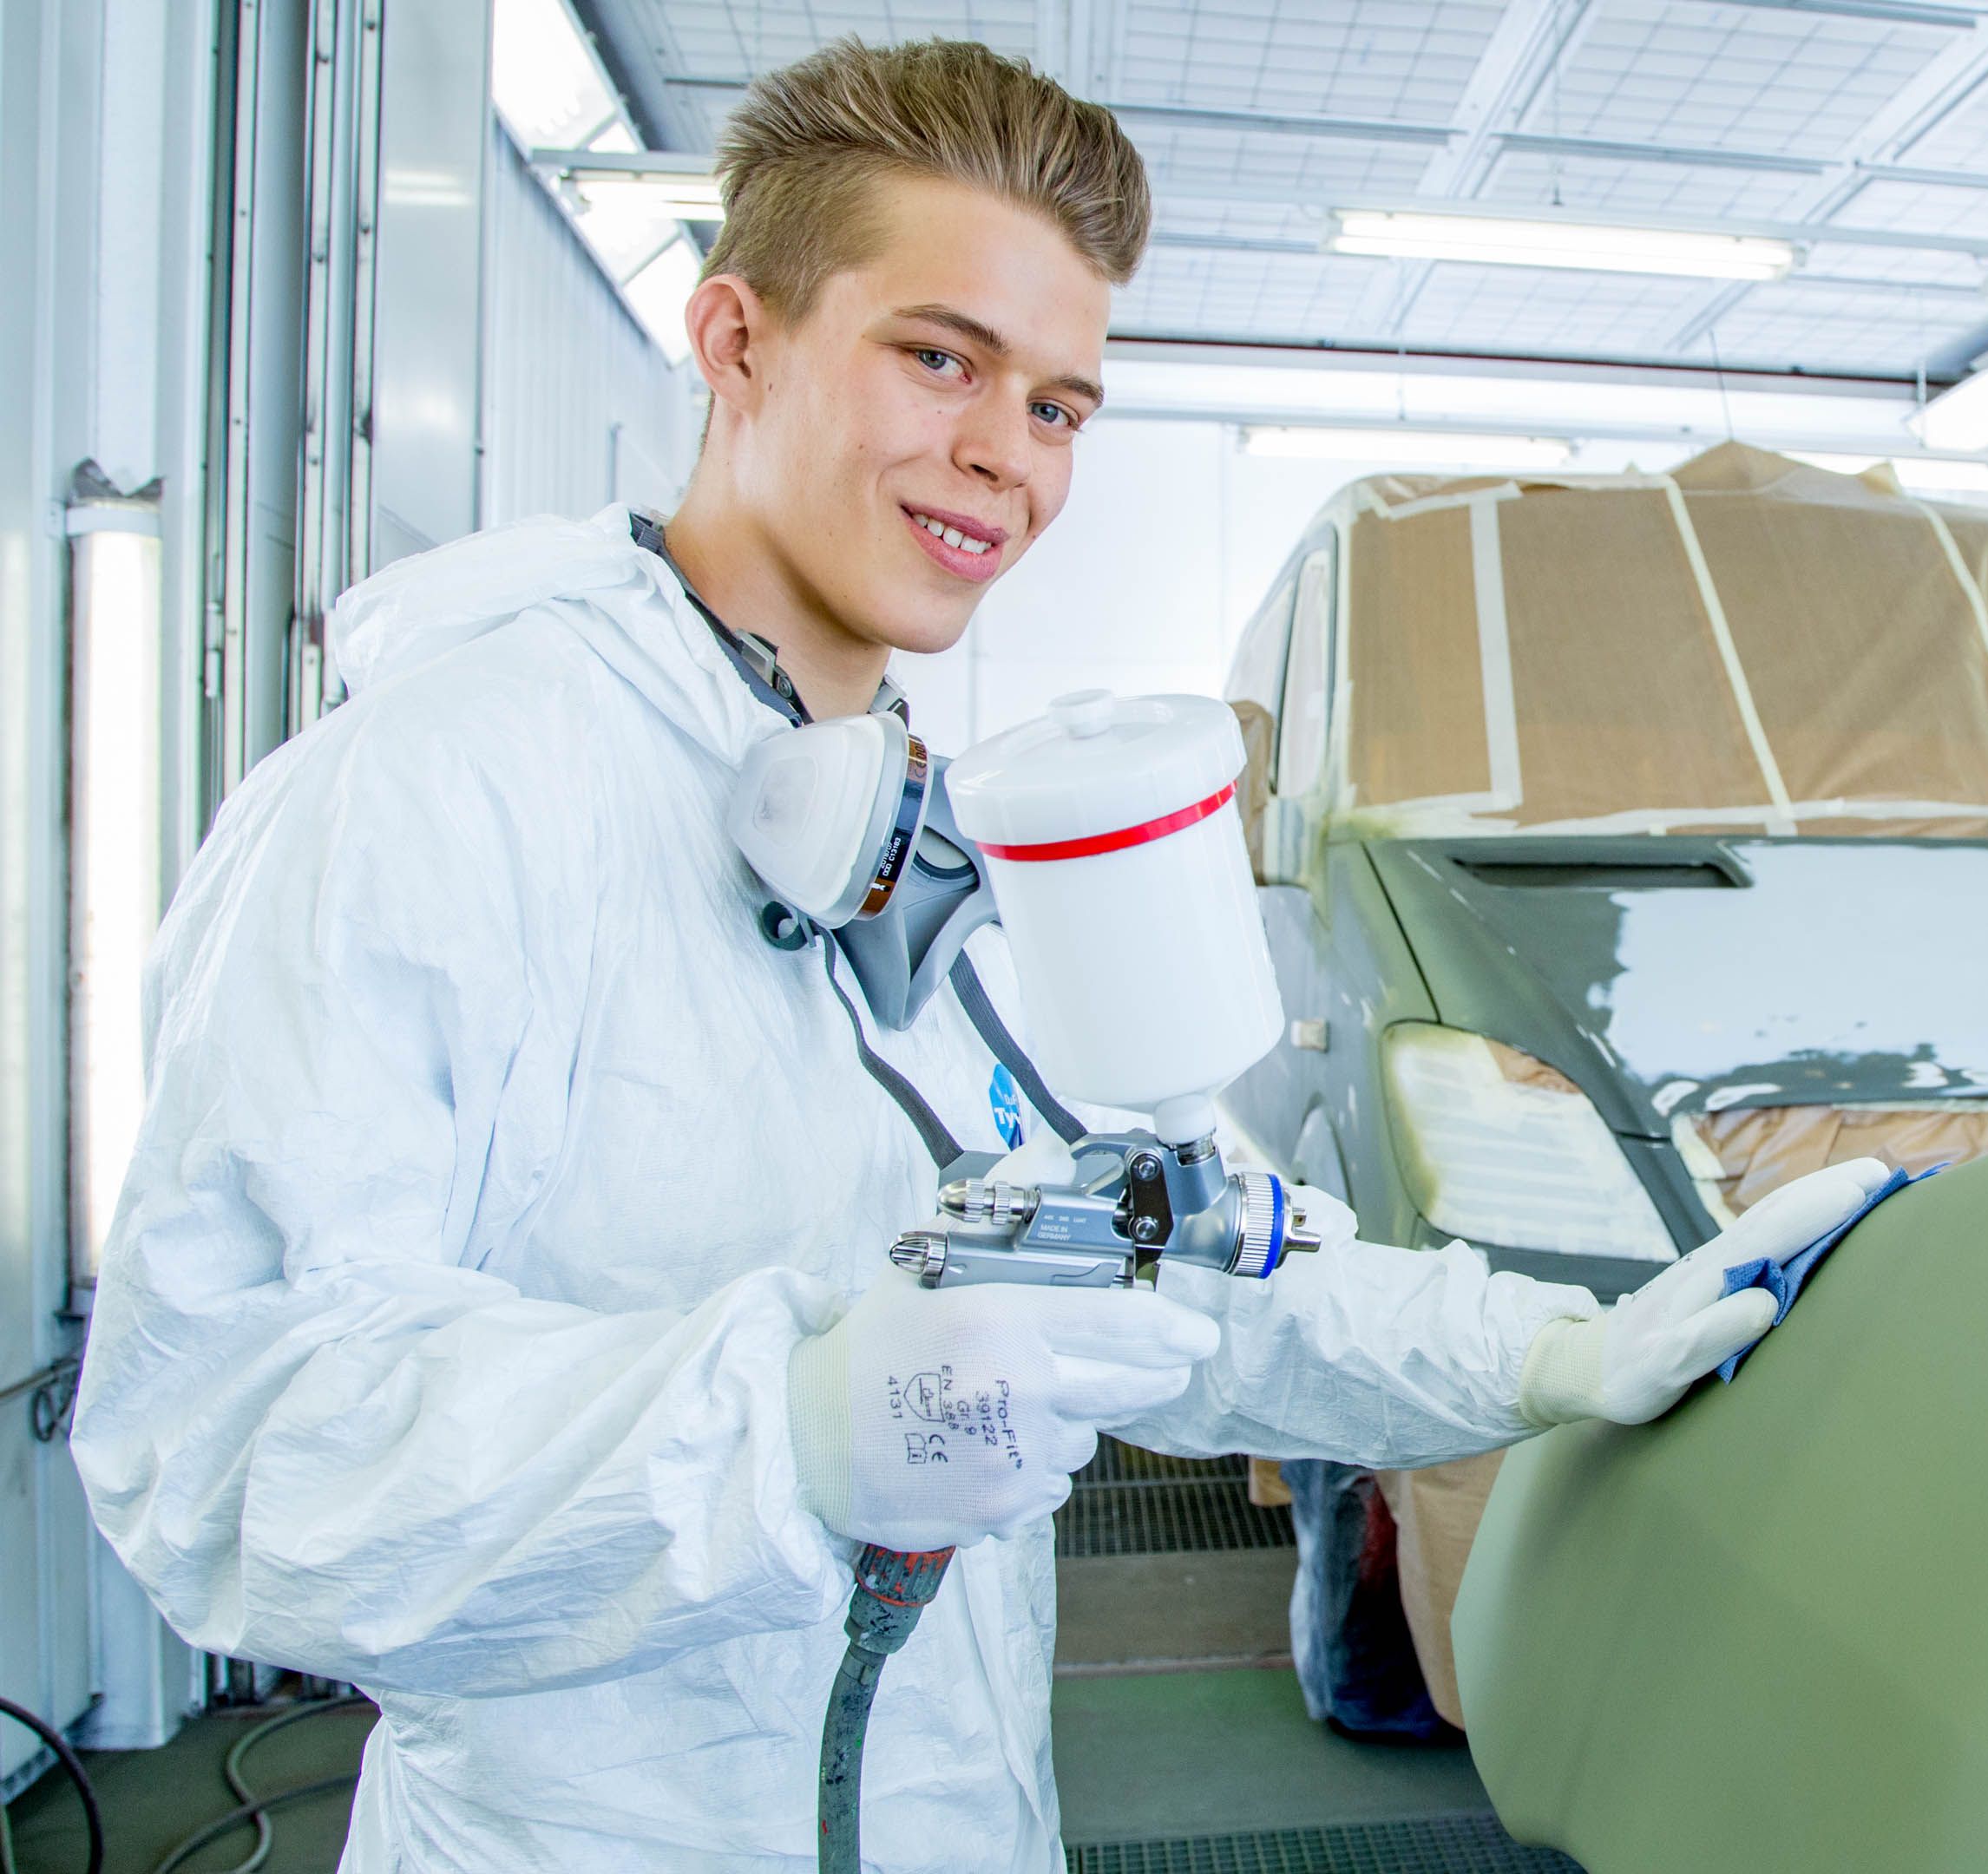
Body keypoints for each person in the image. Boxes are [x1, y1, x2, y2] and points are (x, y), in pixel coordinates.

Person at [69, 37, 1882, 1871]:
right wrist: (787, 1431)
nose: (1006, 458)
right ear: (735, 340)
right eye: (940, 358)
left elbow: (1184, 1258)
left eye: (1061, 406)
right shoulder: (440, 790)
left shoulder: (928, 839)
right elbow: (227, 1437)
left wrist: (1548, 1347)